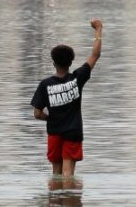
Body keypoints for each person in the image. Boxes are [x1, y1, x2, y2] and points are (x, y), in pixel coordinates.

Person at [31, 19, 103, 182]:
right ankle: (70, 199)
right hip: (73, 131)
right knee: (68, 172)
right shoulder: (77, 79)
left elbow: (36, 114)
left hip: (54, 132)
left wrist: (50, 117)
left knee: (56, 173)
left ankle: (55, 200)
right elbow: (95, 55)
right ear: (71, 62)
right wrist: (98, 29)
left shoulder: (45, 84)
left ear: (53, 62)